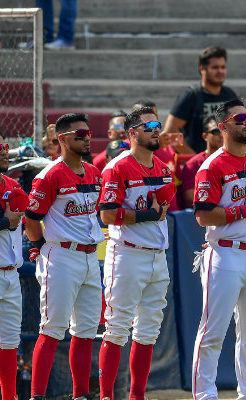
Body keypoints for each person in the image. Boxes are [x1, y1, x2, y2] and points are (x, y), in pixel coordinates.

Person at [191, 98, 246, 400]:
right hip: (224, 253)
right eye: (239, 119)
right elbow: (202, 214)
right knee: (213, 332)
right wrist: (245, 210)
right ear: (223, 126)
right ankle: (205, 395)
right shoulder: (212, 165)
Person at [24, 113, 104, 400]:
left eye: (87, 133)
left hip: (90, 257)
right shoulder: (50, 175)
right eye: (79, 134)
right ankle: (37, 396)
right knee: (53, 328)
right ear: (62, 139)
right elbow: (31, 218)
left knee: (85, 331)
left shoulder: (94, 173)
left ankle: (80, 395)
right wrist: (40, 246)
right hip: (62, 255)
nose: (86, 138)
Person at [97, 106, 175, 400]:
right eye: (149, 125)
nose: (157, 129)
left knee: (148, 331)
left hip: (157, 254)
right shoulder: (118, 166)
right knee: (117, 329)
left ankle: (137, 396)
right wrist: (145, 215)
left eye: (157, 124)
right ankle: (107, 396)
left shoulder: (162, 168)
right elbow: (106, 215)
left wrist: (153, 213)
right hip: (127, 253)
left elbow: (164, 209)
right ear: (131, 134)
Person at [164, 46, 246, 156]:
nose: (220, 71)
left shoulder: (229, 94)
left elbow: (242, 124)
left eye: (223, 67)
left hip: (226, 161)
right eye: (215, 67)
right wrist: (195, 158)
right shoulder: (191, 96)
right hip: (199, 164)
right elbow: (170, 130)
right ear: (202, 69)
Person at [0, 136, 27, 400]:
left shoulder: (12, 185)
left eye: (5, 147)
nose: (4, 152)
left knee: (9, 342)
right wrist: (3, 221)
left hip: (11, 273)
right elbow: (7, 222)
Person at [181, 116, 222, 208]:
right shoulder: (193, 164)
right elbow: (190, 198)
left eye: (224, 130)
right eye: (216, 131)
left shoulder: (234, 160)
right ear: (205, 136)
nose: (221, 134)